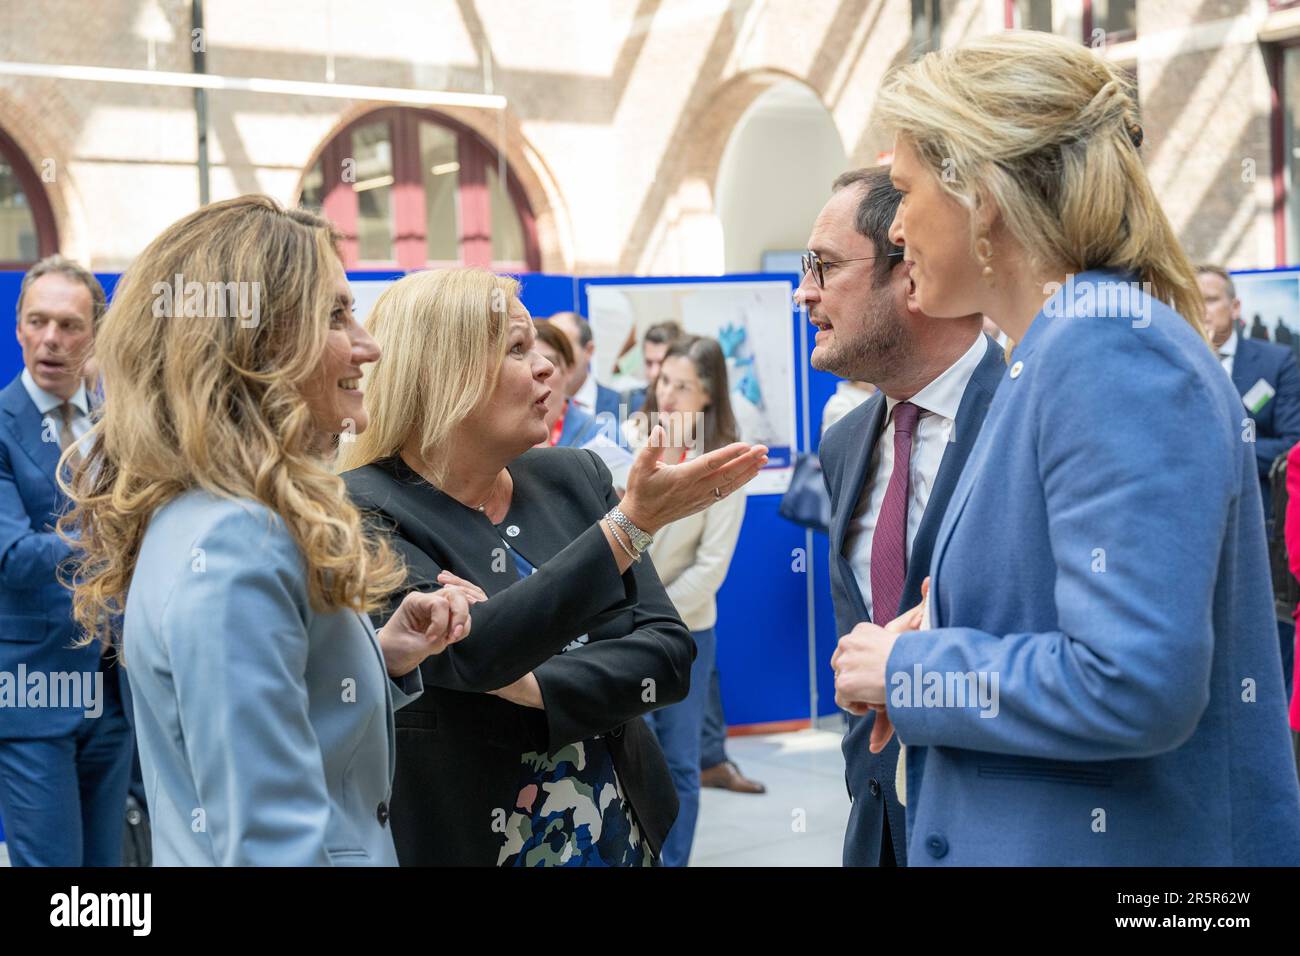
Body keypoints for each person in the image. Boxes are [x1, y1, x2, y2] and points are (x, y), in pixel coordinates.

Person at [833, 30, 1300, 864]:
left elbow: (1132, 684)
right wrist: (945, 615)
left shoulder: (1106, 353)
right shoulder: (1055, 350)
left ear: (980, 193)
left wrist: (911, 668)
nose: (896, 228)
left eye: (904, 192)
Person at [61, 196, 470, 866]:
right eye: (336, 315)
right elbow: (269, 845)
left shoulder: (211, 517)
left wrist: (380, 657)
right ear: (254, 347)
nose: (367, 346)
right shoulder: (236, 543)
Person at [339, 268, 769, 866]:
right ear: (441, 373)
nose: (547, 367)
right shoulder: (364, 505)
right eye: (516, 349)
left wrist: (536, 685)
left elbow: (668, 655)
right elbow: (472, 654)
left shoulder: (574, 477)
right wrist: (626, 530)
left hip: (619, 836)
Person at [805, 168, 1004, 867]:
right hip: (879, 822)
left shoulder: (1028, 416)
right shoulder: (843, 442)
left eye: (824, 266)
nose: (806, 291)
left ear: (909, 270)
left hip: (1000, 824)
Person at [0, 254, 134, 866]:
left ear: (95, 334)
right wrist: (121, 532)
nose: (51, 339)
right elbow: (16, 556)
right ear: (19, 329)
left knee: (106, 884)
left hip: (115, 691)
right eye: (37, 322)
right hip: (34, 695)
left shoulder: (120, 427)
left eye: (68, 325)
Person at [632, 334, 748, 865]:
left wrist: (652, 615)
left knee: (679, 761)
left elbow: (710, 567)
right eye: (664, 382)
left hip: (684, 632)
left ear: (708, 396)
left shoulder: (725, 462)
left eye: (685, 386)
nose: (670, 396)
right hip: (623, 630)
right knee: (630, 754)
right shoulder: (630, 441)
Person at [1199, 264, 1300, 700]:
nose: (1200, 311)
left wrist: (1219, 447)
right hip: (1196, 536)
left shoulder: (1276, 361)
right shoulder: (1176, 364)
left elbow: (1292, 444)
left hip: (1263, 530)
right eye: (1192, 299)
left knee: (1266, 656)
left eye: (1210, 300)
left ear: (1235, 306)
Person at [533, 319, 612, 447]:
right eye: (528, 363)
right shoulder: (502, 434)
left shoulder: (602, 433)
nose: (539, 372)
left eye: (550, 363)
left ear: (569, 370)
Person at [548, 311, 623, 422]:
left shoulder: (624, 406)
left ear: (588, 350)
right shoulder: (538, 409)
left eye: (564, 348)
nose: (555, 358)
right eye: (550, 349)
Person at [626, 320, 683, 414]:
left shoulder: (691, 405)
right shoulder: (631, 403)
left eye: (661, 363)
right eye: (649, 363)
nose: (654, 372)